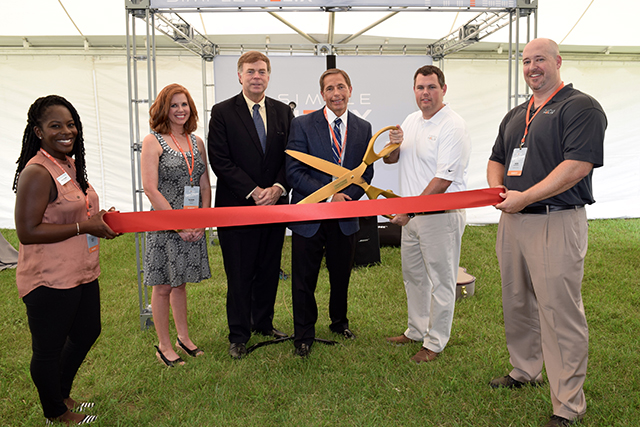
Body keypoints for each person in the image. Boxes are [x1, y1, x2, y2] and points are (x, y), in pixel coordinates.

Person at [486, 38, 606, 427]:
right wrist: (500, 193)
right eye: (526, 61)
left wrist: (524, 197)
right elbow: (497, 159)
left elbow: (577, 165)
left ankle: (568, 404)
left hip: (556, 219)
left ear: (557, 61)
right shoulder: (518, 113)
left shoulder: (580, 107)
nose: (532, 67)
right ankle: (524, 370)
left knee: (559, 312)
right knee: (516, 300)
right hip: (514, 220)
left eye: (540, 59)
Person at [13, 95, 119, 425]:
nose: (66, 131)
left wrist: (99, 217)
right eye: (56, 125)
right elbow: (27, 231)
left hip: (81, 271)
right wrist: (82, 226)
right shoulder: (37, 172)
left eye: (71, 124)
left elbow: (74, 209)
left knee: (88, 331)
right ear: (38, 131)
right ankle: (55, 413)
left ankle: (61, 393)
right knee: (48, 348)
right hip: (49, 278)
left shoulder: (68, 163)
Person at [286, 68, 401, 357]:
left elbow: (367, 171)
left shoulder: (363, 128)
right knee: (304, 279)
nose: (336, 93)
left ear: (350, 89)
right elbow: (294, 172)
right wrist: (329, 197)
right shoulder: (301, 125)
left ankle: (339, 323)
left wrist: (347, 198)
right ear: (322, 94)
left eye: (341, 87)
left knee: (341, 275)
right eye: (329, 89)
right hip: (309, 216)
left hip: (346, 216)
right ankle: (303, 334)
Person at [208, 51, 293, 359]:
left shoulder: (284, 112)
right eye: (250, 71)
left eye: (262, 71)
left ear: (268, 76)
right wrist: (254, 190)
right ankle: (239, 334)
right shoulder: (222, 112)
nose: (257, 76)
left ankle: (264, 323)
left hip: (275, 206)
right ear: (239, 76)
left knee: (269, 268)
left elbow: (292, 157)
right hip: (237, 207)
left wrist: (279, 187)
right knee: (240, 273)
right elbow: (220, 160)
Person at [383, 65, 471, 363]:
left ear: (443, 89)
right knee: (415, 277)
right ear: (414, 90)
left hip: (440, 215)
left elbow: (442, 181)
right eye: (420, 88)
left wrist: (407, 210)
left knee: (441, 280)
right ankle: (416, 329)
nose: (425, 93)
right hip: (413, 217)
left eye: (431, 87)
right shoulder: (411, 120)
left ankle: (435, 342)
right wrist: (394, 145)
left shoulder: (453, 126)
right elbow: (394, 160)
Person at [141, 83, 211, 367]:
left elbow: (205, 184)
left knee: (180, 284)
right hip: (165, 225)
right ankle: (164, 345)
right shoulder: (153, 141)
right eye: (174, 105)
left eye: (184, 104)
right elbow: (150, 188)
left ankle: (184, 337)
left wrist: (203, 221)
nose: (180, 110)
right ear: (163, 109)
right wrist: (176, 225)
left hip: (193, 225)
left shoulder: (197, 143)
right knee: (162, 287)